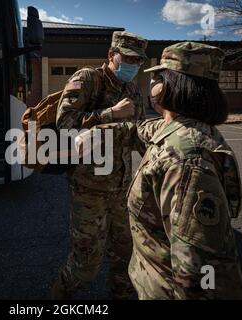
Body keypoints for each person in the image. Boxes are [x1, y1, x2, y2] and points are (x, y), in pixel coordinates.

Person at [77, 42, 242, 300]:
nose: (152, 82)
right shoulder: (177, 128)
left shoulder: (188, 164)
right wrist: (98, 133)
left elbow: (202, 276)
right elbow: (137, 129)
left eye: (158, 76)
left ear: (173, 85)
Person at [52, 31, 148, 300]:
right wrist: (111, 113)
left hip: (121, 189)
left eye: (138, 60)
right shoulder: (88, 79)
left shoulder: (132, 90)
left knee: (125, 255)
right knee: (86, 264)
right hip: (88, 189)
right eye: (128, 58)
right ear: (111, 55)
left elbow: (136, 133)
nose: (133, 64)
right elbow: (64, 122)